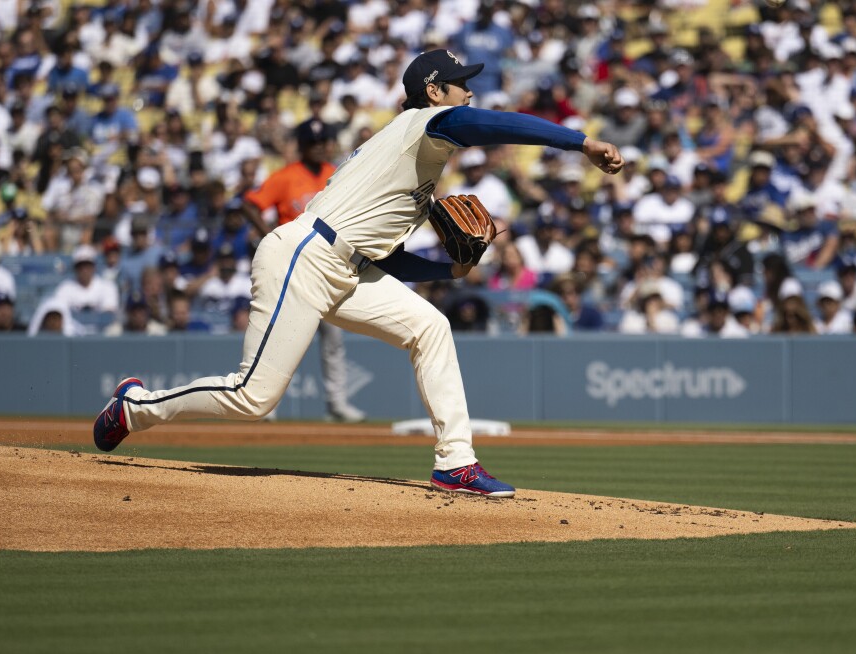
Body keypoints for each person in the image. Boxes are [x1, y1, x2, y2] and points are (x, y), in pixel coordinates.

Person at [94, 50, 625, 498]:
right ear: (435, 91)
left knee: (431, 328)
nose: (470, 93)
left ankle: (455, 463)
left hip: (346, 265)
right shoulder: (425, 123)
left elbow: (384, 257)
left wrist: (448, 269)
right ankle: (134, 407)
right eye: (462, 85)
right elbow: (489, 125)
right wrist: (579, 143)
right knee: (254, 396)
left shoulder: (411, 164)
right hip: (303, 256)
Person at [241, 119, 366, 423]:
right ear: (302, 145)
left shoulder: (336, 174)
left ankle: (337, 404)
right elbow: (249, 205)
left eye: (323, 141)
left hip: (327, 268)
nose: (320, 146)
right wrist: (269, 233)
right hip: (291, 265)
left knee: (333, 340)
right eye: (314, 142)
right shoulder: (285, 177)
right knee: (279, 336)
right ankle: (262, 402)